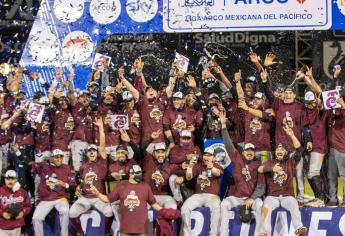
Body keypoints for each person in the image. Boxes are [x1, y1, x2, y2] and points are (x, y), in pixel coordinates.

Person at [219, 112, 265, 236]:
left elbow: (261, 187)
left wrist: (253, 198)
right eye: (247, 150)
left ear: (254, 153)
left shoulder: (258, 165)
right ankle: (223, 233)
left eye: (252, 151)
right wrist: (223, 126)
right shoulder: (236, 158)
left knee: (260, 204)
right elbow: (228, 144)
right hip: (236, 197)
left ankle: (261, 233)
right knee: (224, 204)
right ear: (243, 152)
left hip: (251, 198)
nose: (249, 152)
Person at [258, 126, 308, 236]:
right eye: (277, 149)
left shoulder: (290, 161)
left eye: (282, 149)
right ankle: (265, 232)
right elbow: (259, 169)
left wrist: (291, 135)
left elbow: (300, 150)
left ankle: (299, 228)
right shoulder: (270, 162)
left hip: (287, 196)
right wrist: (272, 169)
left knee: (294, 205)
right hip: (272, 196)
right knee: (266, 207)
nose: (279, 151)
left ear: (286, 152)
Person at [89, 165, 163, 236]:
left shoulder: (146, 186)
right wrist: (98, 194)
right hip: (125, 227)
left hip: (142, 228)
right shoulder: (121, 186)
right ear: (131, 174)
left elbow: (154, 204)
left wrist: (165, 211)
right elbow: (107, 199)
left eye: (140, 173)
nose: (140, 175)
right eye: (137, 173)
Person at [69, 117, 113, 218]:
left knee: (109, 212)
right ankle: (81, 233)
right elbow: (82, 181)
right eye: (89, 151)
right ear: (87, 154)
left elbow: (102, 144)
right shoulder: (83, 166)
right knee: (71, 213)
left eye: (94, 150)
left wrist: (101, 128)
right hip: (85, 198)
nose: (92, 152)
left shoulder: (102, 163)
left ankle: (106, 232)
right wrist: (79, 187)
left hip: (99, 197)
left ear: (97, 153)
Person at [32, 149, 76, 236]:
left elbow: (72, 184)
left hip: (61, 197)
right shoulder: (45, 166)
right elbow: (33, 167)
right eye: (56, 157)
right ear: (52, 158)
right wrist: (40, 162)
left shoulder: (66, 168)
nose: (59, 159)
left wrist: (64, 184)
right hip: (46, 199)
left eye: (60, 157)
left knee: (65, 211)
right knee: (36, 218)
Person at [181, 147, 223, 236]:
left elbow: (218, 173)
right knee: (185, 208)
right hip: (198, 195)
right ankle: (187, 234)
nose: (206, 157)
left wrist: (212, 168)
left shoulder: (217, 165)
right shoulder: (198, 165)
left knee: (216, 207)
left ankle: (213, 234)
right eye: (205, 155)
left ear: (214, 157)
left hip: (212, 196)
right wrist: (190, 167)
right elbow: (188, 177)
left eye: (209, 155)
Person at [0, 170, 31, 236]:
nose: (10, 181)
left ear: (16, 179)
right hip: (2, 227)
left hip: (17, 226)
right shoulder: (0, 191)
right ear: (4, 179)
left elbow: (28, 206)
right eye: (8, 179)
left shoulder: (23, 192)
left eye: (13, 178)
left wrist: (23, 212)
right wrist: (2, 213)